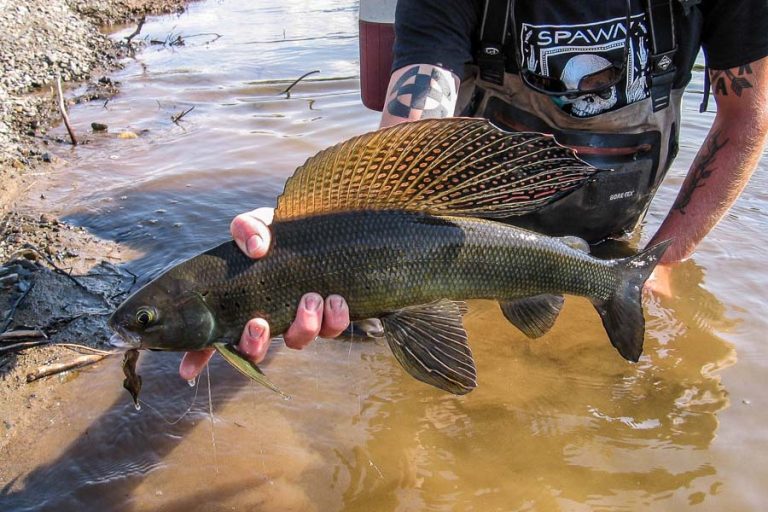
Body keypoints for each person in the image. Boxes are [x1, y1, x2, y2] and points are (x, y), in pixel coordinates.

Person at [180, 0, 768, 380]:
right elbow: (412, 130)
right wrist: (313, 233)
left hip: (619, 229)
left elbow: (746, 119)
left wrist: (661, 261)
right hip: (455, 229)